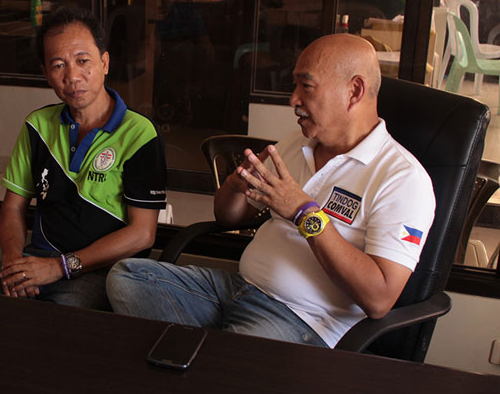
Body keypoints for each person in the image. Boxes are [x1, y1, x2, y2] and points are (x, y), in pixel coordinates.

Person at [106, 34, 435, 348]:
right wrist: (235, 188)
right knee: (127, 277)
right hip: (237, 290)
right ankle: (223, 365)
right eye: (295, 85)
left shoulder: (402, 179)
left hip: (303, 320)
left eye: (305, 86)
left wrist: (305, 213)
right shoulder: (296, 144)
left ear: (354, 90)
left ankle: (218, 364)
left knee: (213, 359)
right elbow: (227, 216)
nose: (293, 99)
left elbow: (379, 299)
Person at [0, 6, 166, 317]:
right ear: (45, 73)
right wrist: (14, 263)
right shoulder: (37, 126)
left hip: (97, 271)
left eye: (83, 61)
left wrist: (60, 267)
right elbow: (13, 207)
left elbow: (142, 234)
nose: (72, 77)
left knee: (47, 342)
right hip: (35, 258)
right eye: (58, 65)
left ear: (104, 62)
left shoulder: (139, 134)